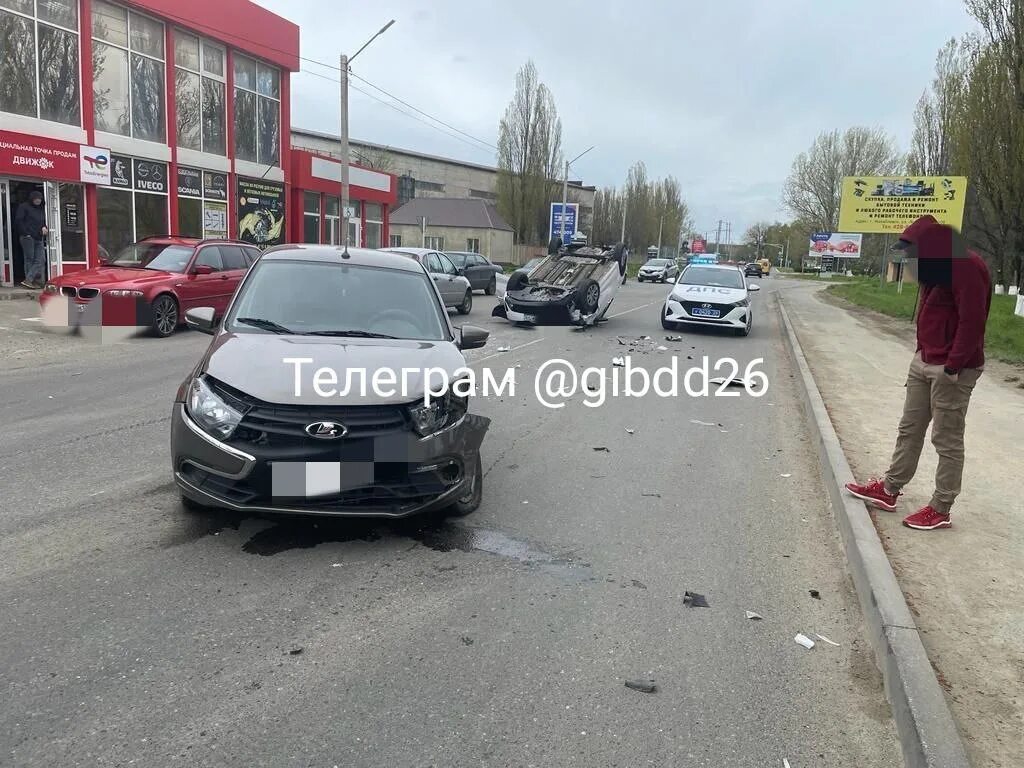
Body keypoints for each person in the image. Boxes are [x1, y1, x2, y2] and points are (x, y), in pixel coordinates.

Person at [845, 214, 992, 530]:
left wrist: (952, 365)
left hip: (953, 369)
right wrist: (921, 351)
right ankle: (889, 489)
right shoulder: (932, 267)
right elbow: (929, 311)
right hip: (924, 360)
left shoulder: (967, 266)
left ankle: (941, 508)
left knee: (947, 438)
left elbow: (972, 321)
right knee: (909, 427)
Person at [15, 189, 48, 289]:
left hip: (38, 237)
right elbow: (18, 221)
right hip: (27, 238)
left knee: (41, 260)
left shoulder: (41, 209)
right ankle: (30, 281)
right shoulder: (24, 207)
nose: (38, 200)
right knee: (29, 259)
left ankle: (28, 280)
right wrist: (26, 234)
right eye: (36, 198)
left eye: (40, 199)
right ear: (32, 198)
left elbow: (42, 222)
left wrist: (44, 227)